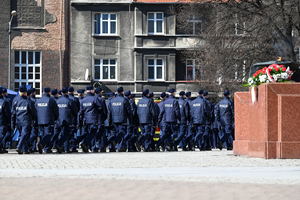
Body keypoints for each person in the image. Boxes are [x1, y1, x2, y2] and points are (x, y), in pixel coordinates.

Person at [77, 86, 105, 153]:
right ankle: (85, 143)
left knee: (89, 133)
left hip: (85, 119)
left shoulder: (83, 100)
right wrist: (97, 112)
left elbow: (80, 112)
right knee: (92, 133)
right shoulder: (94, 99)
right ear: (92, 91)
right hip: (93, 118)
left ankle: (88, 146)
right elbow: (101, 107)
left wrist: (80, 122)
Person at [11, 85, 37, 154]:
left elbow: (13, 113)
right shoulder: (28, 101)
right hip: (26, 120)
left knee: (22, 135)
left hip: (18, 120)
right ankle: (19, 147)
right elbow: (33, 112)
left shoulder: (15, 100)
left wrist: (12, 123)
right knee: (24, 134)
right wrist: (33, 119)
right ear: (25, 92)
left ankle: (25, 150)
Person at [107, 87, 132, 152]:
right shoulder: (124, 99)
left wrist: (109, 122)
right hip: (122, 119)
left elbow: (109, 112)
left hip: (114, 120)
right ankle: (115, 141)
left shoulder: (112, 100)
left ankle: (121, 147)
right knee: (122, 132)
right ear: (122, 92)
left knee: (118, 133)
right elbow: (129, 111)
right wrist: (131, 120)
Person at [35, 87, 59, 154]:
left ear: (43, 92)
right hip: (49, 120)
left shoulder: (38, 101)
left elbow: (35, 111)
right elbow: (56, 111)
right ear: (49, 92)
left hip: (40, 120)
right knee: (49, 134)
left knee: (43, 135)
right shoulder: (50, 100)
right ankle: (42, 144)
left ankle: (46, 148)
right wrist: (55, 118)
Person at [55, 87, 78, 153]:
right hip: (67, 119)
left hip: (59, 120)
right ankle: (64, 147)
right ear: (67, 93)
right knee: (67, 134)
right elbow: (75, 111)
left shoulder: (57, 101)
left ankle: (62, 147)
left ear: (61, 93)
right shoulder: (69, 101)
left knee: (62, 133)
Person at [93, 87, 107, 152]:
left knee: (94, 132)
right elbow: (104, 111)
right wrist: (104, 118)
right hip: (100, 118)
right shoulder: (101, 100)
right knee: (100, 133)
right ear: (100, 92)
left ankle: (93, 146)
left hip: (93, 118)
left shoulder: (93, 99)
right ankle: (101, 147)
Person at [68, 87, 80, 152]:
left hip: (66, 119)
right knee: (72, 134)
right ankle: (73, 147)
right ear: (73, 92)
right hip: (73, 119)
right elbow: (77, 110)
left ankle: (66, 146)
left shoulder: (64, 99)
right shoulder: (75, 99)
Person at [1, 88, 12, 152]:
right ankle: (3, 145)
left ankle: (3, 146)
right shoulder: (7, 100)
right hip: (5, 120)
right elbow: (8, 111)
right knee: (6, 133)